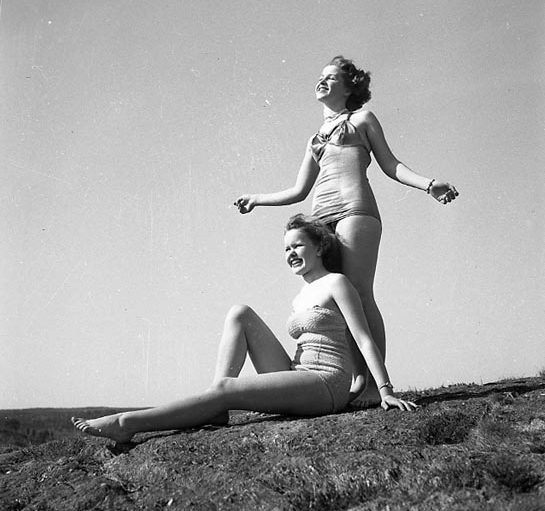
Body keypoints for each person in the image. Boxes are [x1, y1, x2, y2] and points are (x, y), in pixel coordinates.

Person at [71, 215, 416, 444]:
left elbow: (362, 338)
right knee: (240, 313)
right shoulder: (301, 295)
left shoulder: (336, 283)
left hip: (326, 382)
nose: (290, 253)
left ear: (320, 247)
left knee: (226, 388)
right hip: (299, 373)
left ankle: (128, 423)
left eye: (297, 246)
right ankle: (218, 406)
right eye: (286, 249)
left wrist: (382, 389)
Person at [234, 55, 458, 406]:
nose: (322, 81)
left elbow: (390, 164)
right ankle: (355, 378)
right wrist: (257, 199)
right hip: (319, 220)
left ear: (350, 87)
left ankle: (374, 386)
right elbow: (299, 191)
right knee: (336, 300)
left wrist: (428, 184)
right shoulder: (314, 138)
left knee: (360, 294)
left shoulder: (363, 119)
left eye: (332, 77)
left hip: (355, 211)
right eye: (320, 76)